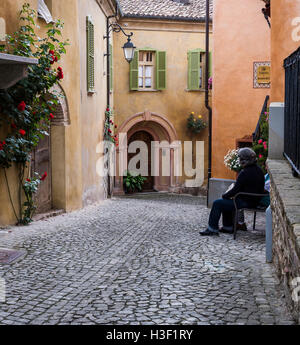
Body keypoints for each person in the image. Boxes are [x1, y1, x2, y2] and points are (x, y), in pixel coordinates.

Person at [200, 147, 266, 236]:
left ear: (244, 160)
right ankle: (228, 227)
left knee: (217, 203)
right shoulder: (259, 170)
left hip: (246, 201)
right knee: (226, 202)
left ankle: (212, 229)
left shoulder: (244, 172)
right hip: (255, 201)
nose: (239, 160)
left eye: (240, 158)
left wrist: (225, 195)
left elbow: (235, 190)